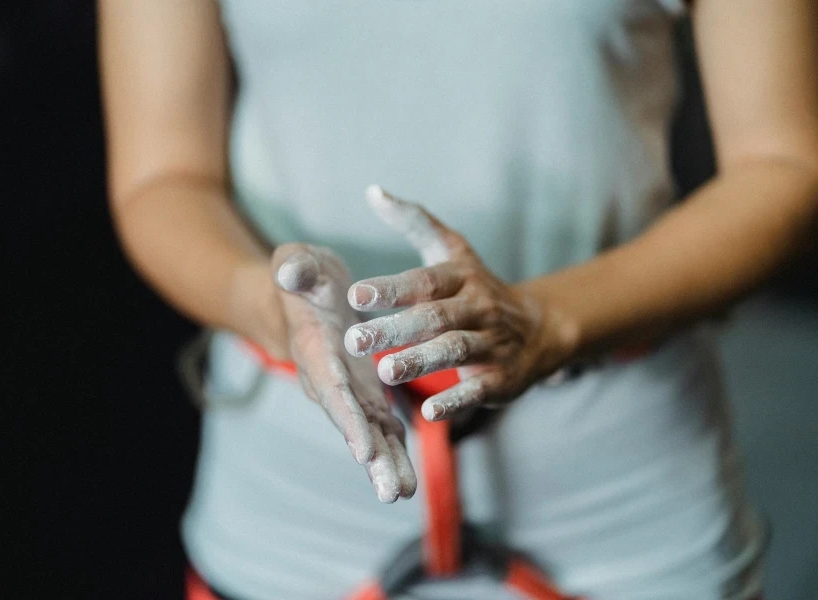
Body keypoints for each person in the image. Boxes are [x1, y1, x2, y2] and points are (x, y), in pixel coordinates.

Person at [97, 0, 818, 598]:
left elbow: (782, 165)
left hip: (625, 507)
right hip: (293, 516)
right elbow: (163, 177)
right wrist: (270, 307)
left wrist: (549, 320)